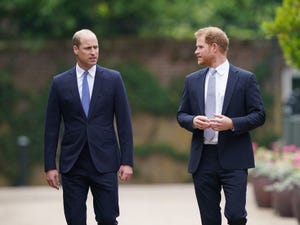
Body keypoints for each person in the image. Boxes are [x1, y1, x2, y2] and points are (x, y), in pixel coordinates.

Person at [44, 29, 134, 225]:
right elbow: (51, 127)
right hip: (73, 163)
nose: (93, 52)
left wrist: (127, 161)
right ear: (76, 49)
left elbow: (125, 123)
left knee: (108, 219)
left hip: (105, 162)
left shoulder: (113, 79)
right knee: (75, 220)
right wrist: (50, 165)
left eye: (96, 47)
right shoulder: (59, 83)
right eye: (88, 48)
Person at [177, 26, 265, 225]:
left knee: (235, 216)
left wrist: (232, 123)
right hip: (203, 159)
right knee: (209, 219)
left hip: (234, 157)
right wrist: (192, 121)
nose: (195, 51)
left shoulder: (245, 79)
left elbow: (259, 115)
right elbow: (181, 114)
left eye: (200, 47)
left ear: (214, 47)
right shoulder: (192, 81)